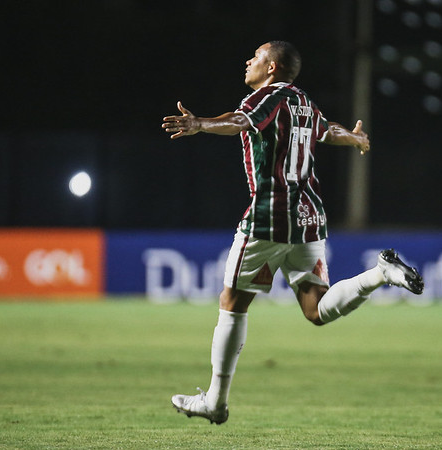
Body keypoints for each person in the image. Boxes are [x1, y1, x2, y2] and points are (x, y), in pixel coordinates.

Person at [161, 40, 423, 425]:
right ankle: (380, 274)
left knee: (232, 301)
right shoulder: (302, 101)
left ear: (272, 67)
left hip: (269, 214)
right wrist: (352, 137)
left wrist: (200, 124)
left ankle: (215, 402)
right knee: (315, 309)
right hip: (308, 214)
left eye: (256, 56)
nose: (248, 60)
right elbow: (326, 130)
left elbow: (239, 122)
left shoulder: (267, 97)